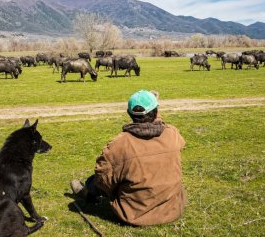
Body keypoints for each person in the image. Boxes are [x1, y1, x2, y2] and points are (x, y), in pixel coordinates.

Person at [70, 90, 186, 226]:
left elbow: (102, 179)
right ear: (156, 111)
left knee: (94, 180)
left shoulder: (119, 144)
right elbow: (163, 126)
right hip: (172, 209)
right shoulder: (172, 133)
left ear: (129, 113)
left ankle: (89, 195)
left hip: (134, 214)